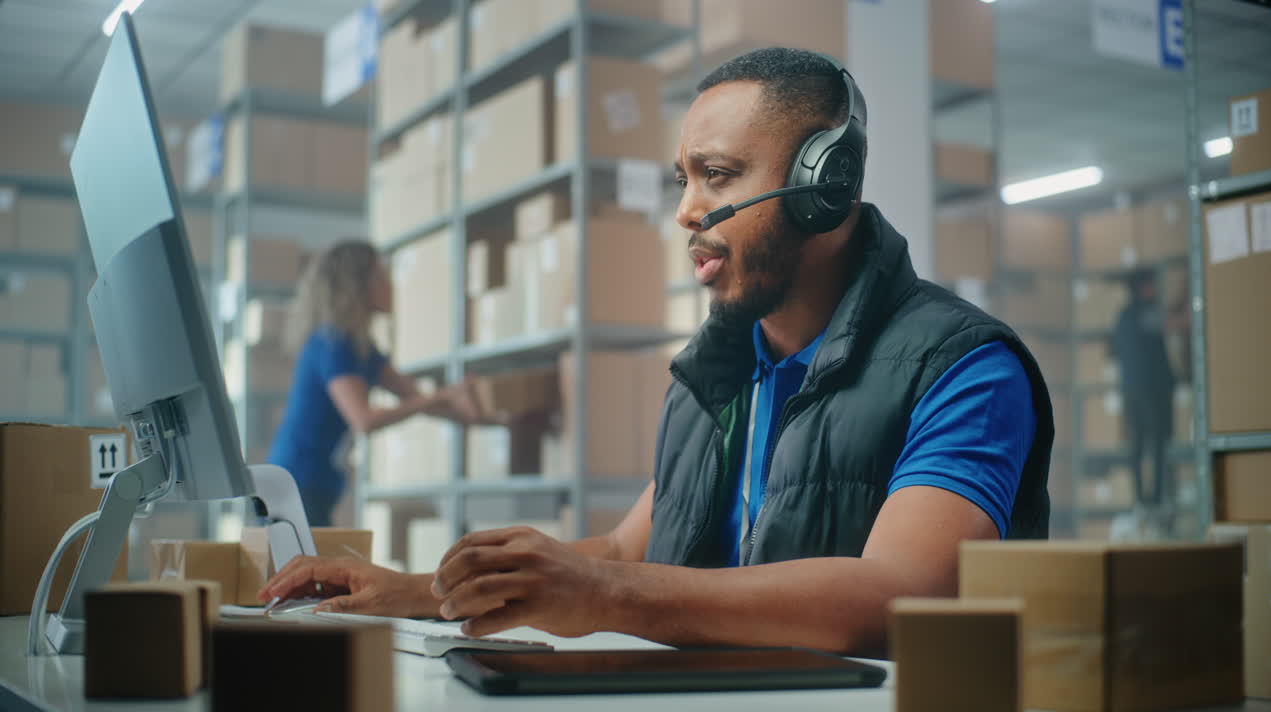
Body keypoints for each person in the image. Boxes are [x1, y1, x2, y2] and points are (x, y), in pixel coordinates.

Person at [261, 49, 1054, 658]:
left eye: (718, 176)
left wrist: (608, 593)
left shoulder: (962, 366)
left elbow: (900, 595)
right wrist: (419, 591)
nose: (686, 211)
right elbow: (619, 550)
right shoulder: (712, 377)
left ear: (827, 185)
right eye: (683, 180)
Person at [266, 240, 480, 527]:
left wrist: (479, 418)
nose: (390, 285)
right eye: (381, 276)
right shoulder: (333, 343)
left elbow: (414, 396)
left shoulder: (361, 348)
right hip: (295, 483)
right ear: (357, 286)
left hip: (315, 483)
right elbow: (364, 420)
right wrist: (441, 397)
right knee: (306, 557)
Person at [1110, 268, 1175, 527]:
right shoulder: (1145, 313)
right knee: (1155, 444)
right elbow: (1171, 325)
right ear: (1141, 287)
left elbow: (1113, 351)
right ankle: (1154, 499)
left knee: (1137, 447)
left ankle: (1141, 500)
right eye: (1150, 285)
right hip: (1150, 391)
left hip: (1132, 391)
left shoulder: (1123, 316)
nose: (1154, 289)